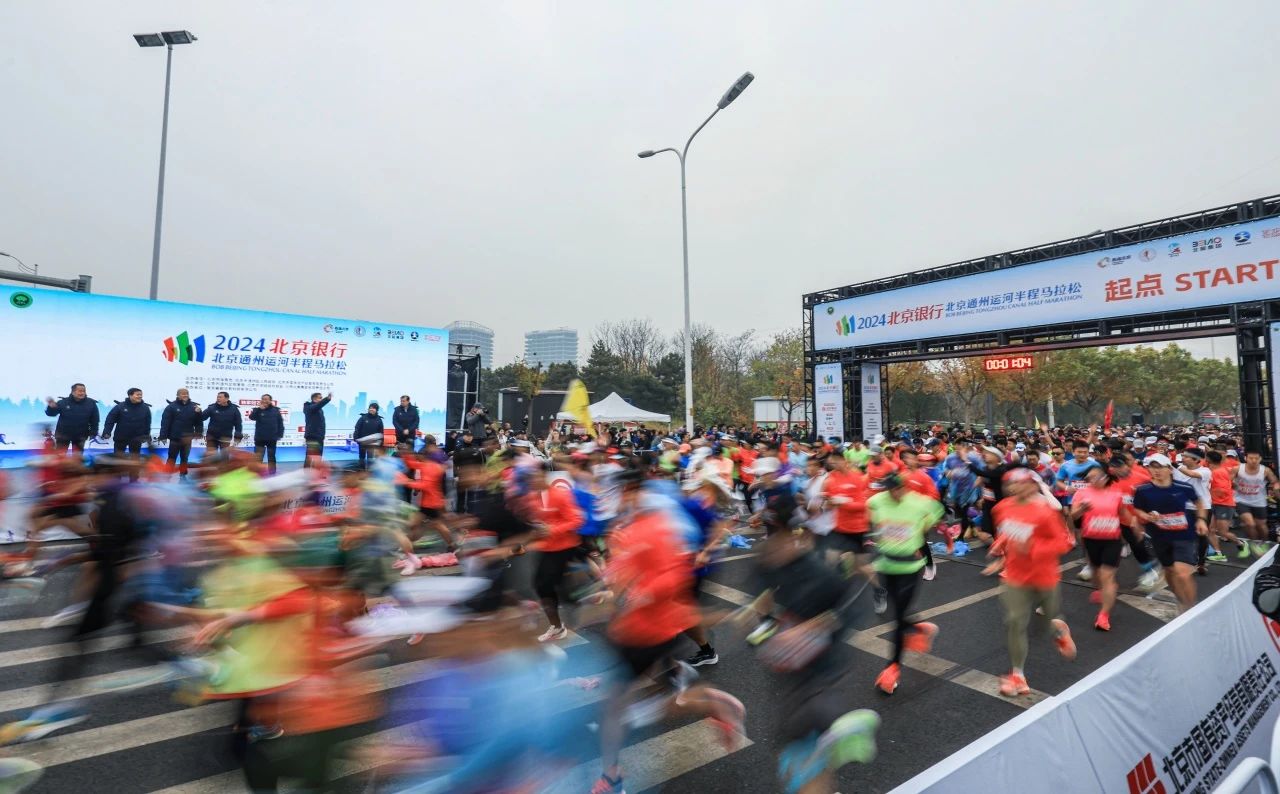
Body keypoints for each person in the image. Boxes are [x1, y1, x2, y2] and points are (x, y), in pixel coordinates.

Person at [986, 468, 1076, 697]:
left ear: (1033, 485)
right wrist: (1000, 545)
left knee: (1048, 620)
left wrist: (1034, 548)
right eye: (1011, 483)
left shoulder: (1045, 512)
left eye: (1021, 482)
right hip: (1015, 575)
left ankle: (1058, 631)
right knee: (1015, 621)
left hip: (1044, 575)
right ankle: (1018, 674)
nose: (1014, 487)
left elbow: (1064, 543)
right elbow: (1009, 530)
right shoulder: (1001, 508)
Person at [867, 472, 944, 695]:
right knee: (895, 612)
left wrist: (920, 533)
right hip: (886, 565)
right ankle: (919, 628)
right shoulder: (876, 501)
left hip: (910, 568)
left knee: (898, 619)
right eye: (889, 489)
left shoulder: (920, 502)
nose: (892, 493)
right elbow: (871, 516)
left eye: (896, 488)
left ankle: (893, 668)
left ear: (904, 487)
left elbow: (936, 512)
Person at [1132, 453, 1209, 612]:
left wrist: (1201, 519)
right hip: (1159, 537)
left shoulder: (1183, 487)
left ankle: (1190, 609)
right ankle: (1181, 600)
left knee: (1183, 573)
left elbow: (1199, 502)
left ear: (1169, 469)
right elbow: (1138, 509)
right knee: (1169, 571)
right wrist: (1146, 516)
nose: (1156, 471)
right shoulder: (1143, 490)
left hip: (1183, 535)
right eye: (1152, 467)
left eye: (1160, 467)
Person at [1070, 467, 1128, 631]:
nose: (1093, 480)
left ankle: (1103, 616)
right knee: (1096, 573)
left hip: (1112, 540)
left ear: (1105, 477)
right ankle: (1101, 589)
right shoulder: (1082, 493)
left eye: (1096, 476)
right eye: (1090, 478)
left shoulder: (1116, 493)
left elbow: (1122, 513)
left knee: (1107, 576)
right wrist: (1082, 509)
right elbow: (1073, 516)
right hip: (1091, 539)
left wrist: (1133, 527)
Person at [1234, 450, 1278, 556]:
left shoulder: (1265, 470)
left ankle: (1263, 542)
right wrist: (1232, 483)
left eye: (1256, 458)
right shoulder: (1238, 468)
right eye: (1251, 458)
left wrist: (1276, 489)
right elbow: (1227, 480)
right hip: (1241, 500)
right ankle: (1255, 543)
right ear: (1246, 458)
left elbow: (1275, 482)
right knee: (1250, 523)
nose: (1253, 460)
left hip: (1259, 501)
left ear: (1260, 459)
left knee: (1261, 526)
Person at [158, 388, 203, 478]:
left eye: (187, 393)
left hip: (188, 438)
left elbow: (198, 422)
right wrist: (163, 436)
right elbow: (165, 422)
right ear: (178, 395)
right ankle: (167, 473)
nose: (185, 395)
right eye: (183, 394)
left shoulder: (194, 407)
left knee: (184, 457)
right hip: (175, 437)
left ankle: (183, 473)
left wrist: (198, 433)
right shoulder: (171, 407)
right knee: (172, 457)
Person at [102, 388, 152, 466]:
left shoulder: (145, 408)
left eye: (141, 395)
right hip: (121, 438)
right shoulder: (120, 406)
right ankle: (118, 473)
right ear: (130, 395)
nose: (140, 396)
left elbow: (147, 423)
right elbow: (110, 420)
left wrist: (146, 435)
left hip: (137, 438)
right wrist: (107, 432)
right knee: (118, 459)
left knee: (135, 461)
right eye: (137, 395)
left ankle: (134, 474)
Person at [44, 384, 99, 453]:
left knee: (77, 457)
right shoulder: (63, 402)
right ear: (73, 392)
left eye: (84, 391)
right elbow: (51, 414)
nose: (82, 393)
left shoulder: (91, 403)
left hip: (80, 435)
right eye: (80, 391)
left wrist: (93, 432)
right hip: (63, 435)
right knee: (60, 455)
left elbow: (95, 420)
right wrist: (51, 407)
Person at [248, 394, 285, 475]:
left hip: (272, 438)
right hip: (260, 437)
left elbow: (280, 423)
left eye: (266, 399)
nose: (264, 401)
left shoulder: (276, 410)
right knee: (258, 457)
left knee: (271, 457)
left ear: (270, 401)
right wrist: (259, 409)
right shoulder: (257, 410)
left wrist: (280, 435)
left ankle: (272, 473)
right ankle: (257, 473)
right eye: (263, 399)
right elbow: (251, 417)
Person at [201, 392, 243, 457]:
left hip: (225, 437)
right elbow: (202, 418)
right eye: (217, 397)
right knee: (210, 457)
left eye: (220, 397)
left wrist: (238, 435)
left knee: (224, 457)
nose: (218, 398)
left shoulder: (234, 409)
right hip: (212, 436)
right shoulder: (212, 407)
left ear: (227, 399)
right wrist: (198, 412)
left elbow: (238, 423)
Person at [302, 392, 331, 467]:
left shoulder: (319, 409)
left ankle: (316, 472)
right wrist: (327, 399)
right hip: (312, 436)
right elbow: (318, 405)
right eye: (320, 398)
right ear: (314, 399)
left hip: (319, 436)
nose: (321, 399)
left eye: (322, 398)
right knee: (311, 455)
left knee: (318, 456)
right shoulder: (309, 407)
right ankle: (306, 471)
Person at [353, 403, 385, 470]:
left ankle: (369, 471)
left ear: (376, 410)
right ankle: (361, 470)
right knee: (361, 456)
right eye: (370, 408)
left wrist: (381, 443)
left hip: (372, 442)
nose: (371, 409)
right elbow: (357, 428)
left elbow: (381, 432)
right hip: (362, 441)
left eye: (373, 408)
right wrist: (355, 438)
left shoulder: (379, 420)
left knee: (370, 457)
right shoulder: (363, 417)